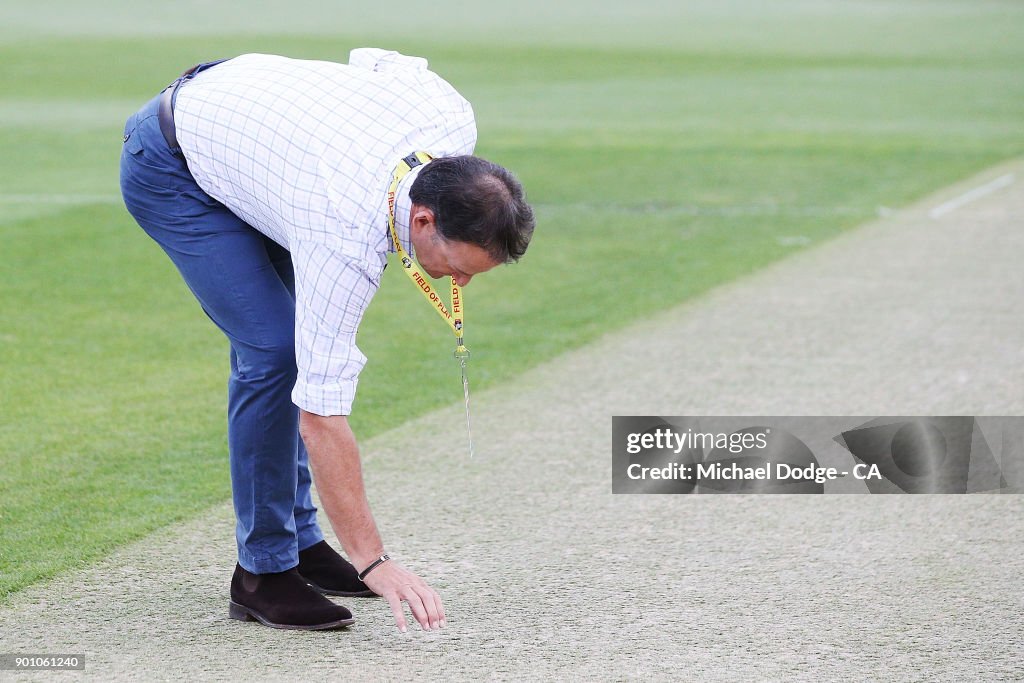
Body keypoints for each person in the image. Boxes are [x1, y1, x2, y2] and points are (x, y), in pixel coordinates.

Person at [119, 49, 535, 633]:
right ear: (422, 221)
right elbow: (322, 413)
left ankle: (303, 543)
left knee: (292, 348)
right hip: (175, 164)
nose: (460, 282)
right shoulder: (344, 237)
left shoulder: (450, 115)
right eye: (457, 265)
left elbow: (380, 59)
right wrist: (375, 561)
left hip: (266, 157)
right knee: (275, 354)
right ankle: (262, 573)